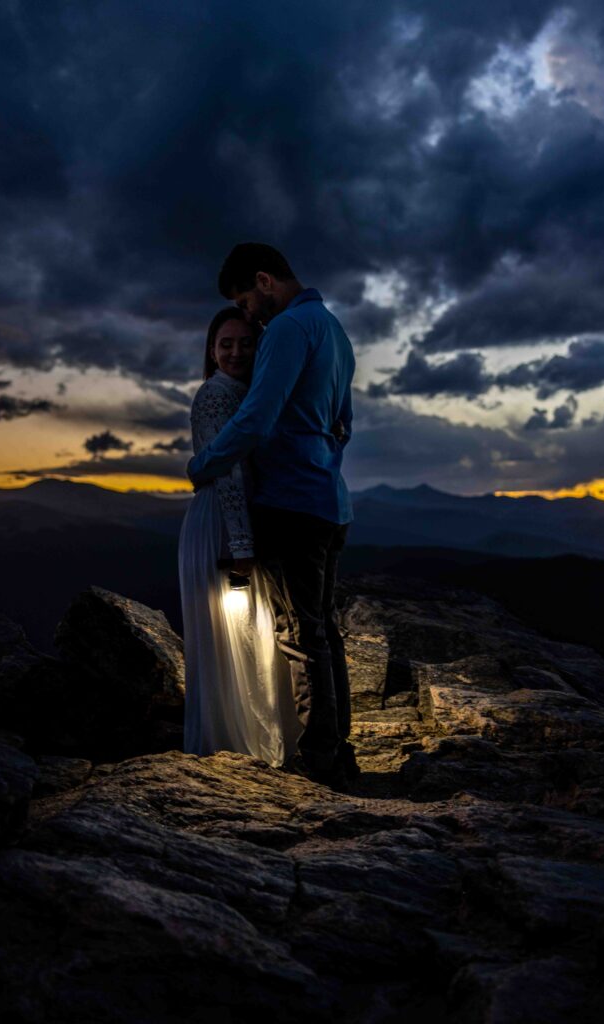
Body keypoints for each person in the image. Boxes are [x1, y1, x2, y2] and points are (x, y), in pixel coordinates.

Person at [187, 242, 358, 790]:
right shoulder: (333, 328)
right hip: (331, 499)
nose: (249, 313)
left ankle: (320, 760)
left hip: (290, 501)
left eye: (245, 298)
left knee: (299, 637)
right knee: (324, 631)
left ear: (264, 281)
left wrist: (204, 462)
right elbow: (344, 423)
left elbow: (257, 420)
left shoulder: (286, 329)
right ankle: (337, 748)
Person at [179, 307, 301, 767]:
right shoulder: (217, 396)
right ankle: (234, 749)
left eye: (245, 343)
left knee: (248, 639)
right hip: (221, 529)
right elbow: (227, 473)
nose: (235, 352)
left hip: (234, 524)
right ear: (211, 351)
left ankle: (249, 743)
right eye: (225, 344)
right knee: (240, 637)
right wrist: (242, 548)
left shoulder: (247, 394)